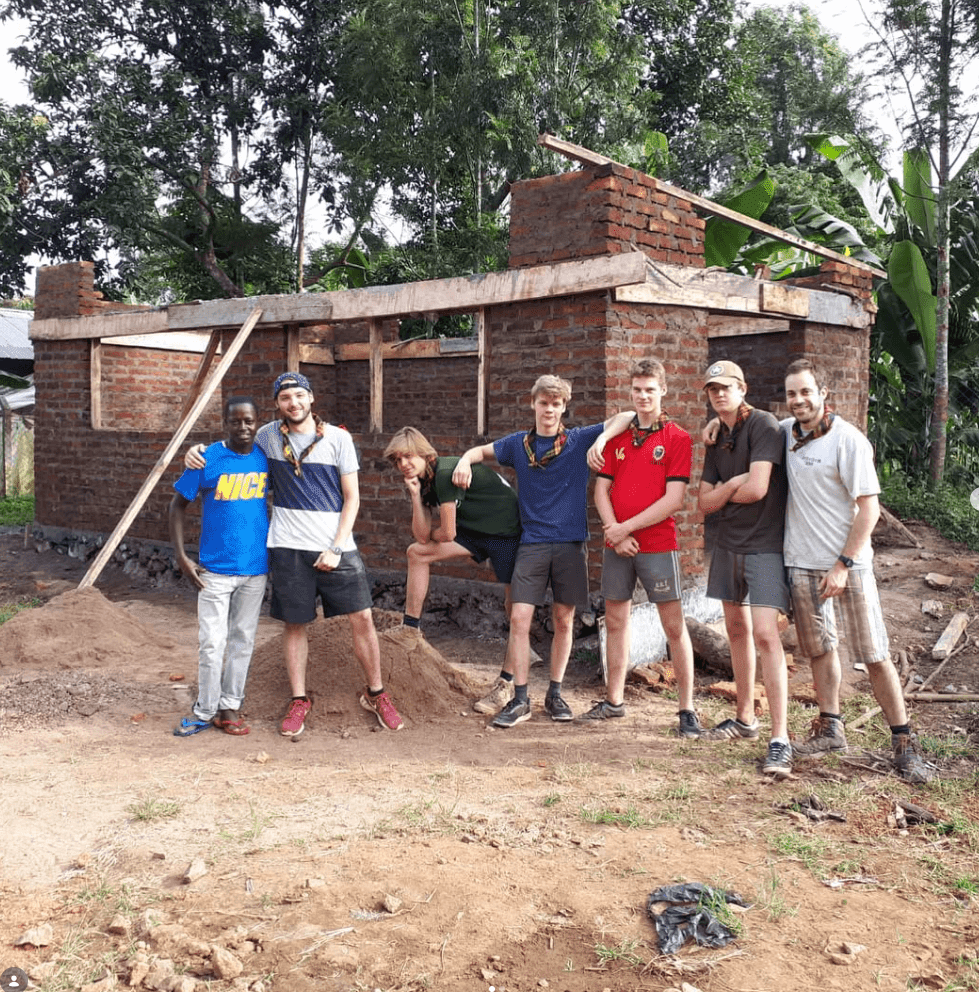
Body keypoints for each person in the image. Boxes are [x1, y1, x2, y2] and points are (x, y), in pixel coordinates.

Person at [186, 372, 403, 737]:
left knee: (363, 617)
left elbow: (353, 498)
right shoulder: (267, 435)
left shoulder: (338, 439)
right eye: (286, 398)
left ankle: (376, 693)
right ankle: (299, 699)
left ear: (311, 398)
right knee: (294, 624)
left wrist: (336, 547)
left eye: (300, 396)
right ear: (277, 404)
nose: (294, 403)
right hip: (287, 547)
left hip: (336, 547)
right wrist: (197, 450)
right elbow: (233, 440)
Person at [451, 374, 634, 728]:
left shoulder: (578, 440)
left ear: (564, 407)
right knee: (520, 618)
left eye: (556, 404)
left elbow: (626, 416)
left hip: (570, 543)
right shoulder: (518, 445)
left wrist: (602, 439)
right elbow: (480, 451)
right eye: (543, 403)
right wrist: (463, 462)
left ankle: (555, 693)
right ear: (533, 404)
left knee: (564, 619)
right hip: (532, 542)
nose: (549, 409)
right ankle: (520, 698)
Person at [780, 358, 933, 782]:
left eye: (806, 391)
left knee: (873, 652)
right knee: (819, 648)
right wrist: (713, 425)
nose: (799, 400)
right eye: (792, 393)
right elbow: (746, 420)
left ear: (823, 393)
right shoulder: (786, 432)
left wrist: (843, 564)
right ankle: (831, 728)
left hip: (848, 565)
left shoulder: (848, 441)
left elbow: (869, 510)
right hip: (801, 560)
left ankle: (903, 741)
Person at [587, 359, 700, 736]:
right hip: (617, 544)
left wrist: (626, 528)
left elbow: (673, 500)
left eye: (650, 389)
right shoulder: (618, 436)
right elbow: (601, 490)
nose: (643, 396)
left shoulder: (677, 438)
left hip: (657, 544)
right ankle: (614, 701)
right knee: (615, 621)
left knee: (674, 626)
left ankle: (686, 709)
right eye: (637, 389)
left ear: (663, 390)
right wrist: (614, 533)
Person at [383, 426, 523, 714]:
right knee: (416, 553)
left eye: (408, 456)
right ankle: (410, 628)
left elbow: (447, 533)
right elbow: (422, 537)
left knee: (516, 609)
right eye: (397, 460)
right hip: (476, 531)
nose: (403, 464)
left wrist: (436, 534)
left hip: (508, 531)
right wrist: (415, 496)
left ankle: (506, 684)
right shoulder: (424, 481)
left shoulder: (445, 472)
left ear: (425, 454)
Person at [698, 360, 792, 778]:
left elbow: (757, 489)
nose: (720, 394)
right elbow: (703, 502)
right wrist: (735, 484)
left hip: (764, 546)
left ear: (743, 388)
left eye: (727, 387)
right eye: (712, 389)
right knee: (735, 629)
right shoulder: (716, 436)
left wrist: (730, 485)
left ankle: (780, 738)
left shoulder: (764, 425)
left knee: (766, 635)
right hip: (728, 545)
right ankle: (744, 718)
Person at [170, 397, 269, 737]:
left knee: (243, 640)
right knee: (212, 644)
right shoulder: (207, 459)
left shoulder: (265, 458)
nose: (243, 427)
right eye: (235, 421)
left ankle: (230, 707)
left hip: (255, 569)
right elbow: (177, 506)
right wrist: (181, 557)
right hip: (214, 572)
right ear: (225, 423)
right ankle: (204, 710)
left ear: (257, 423)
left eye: (249, 421)